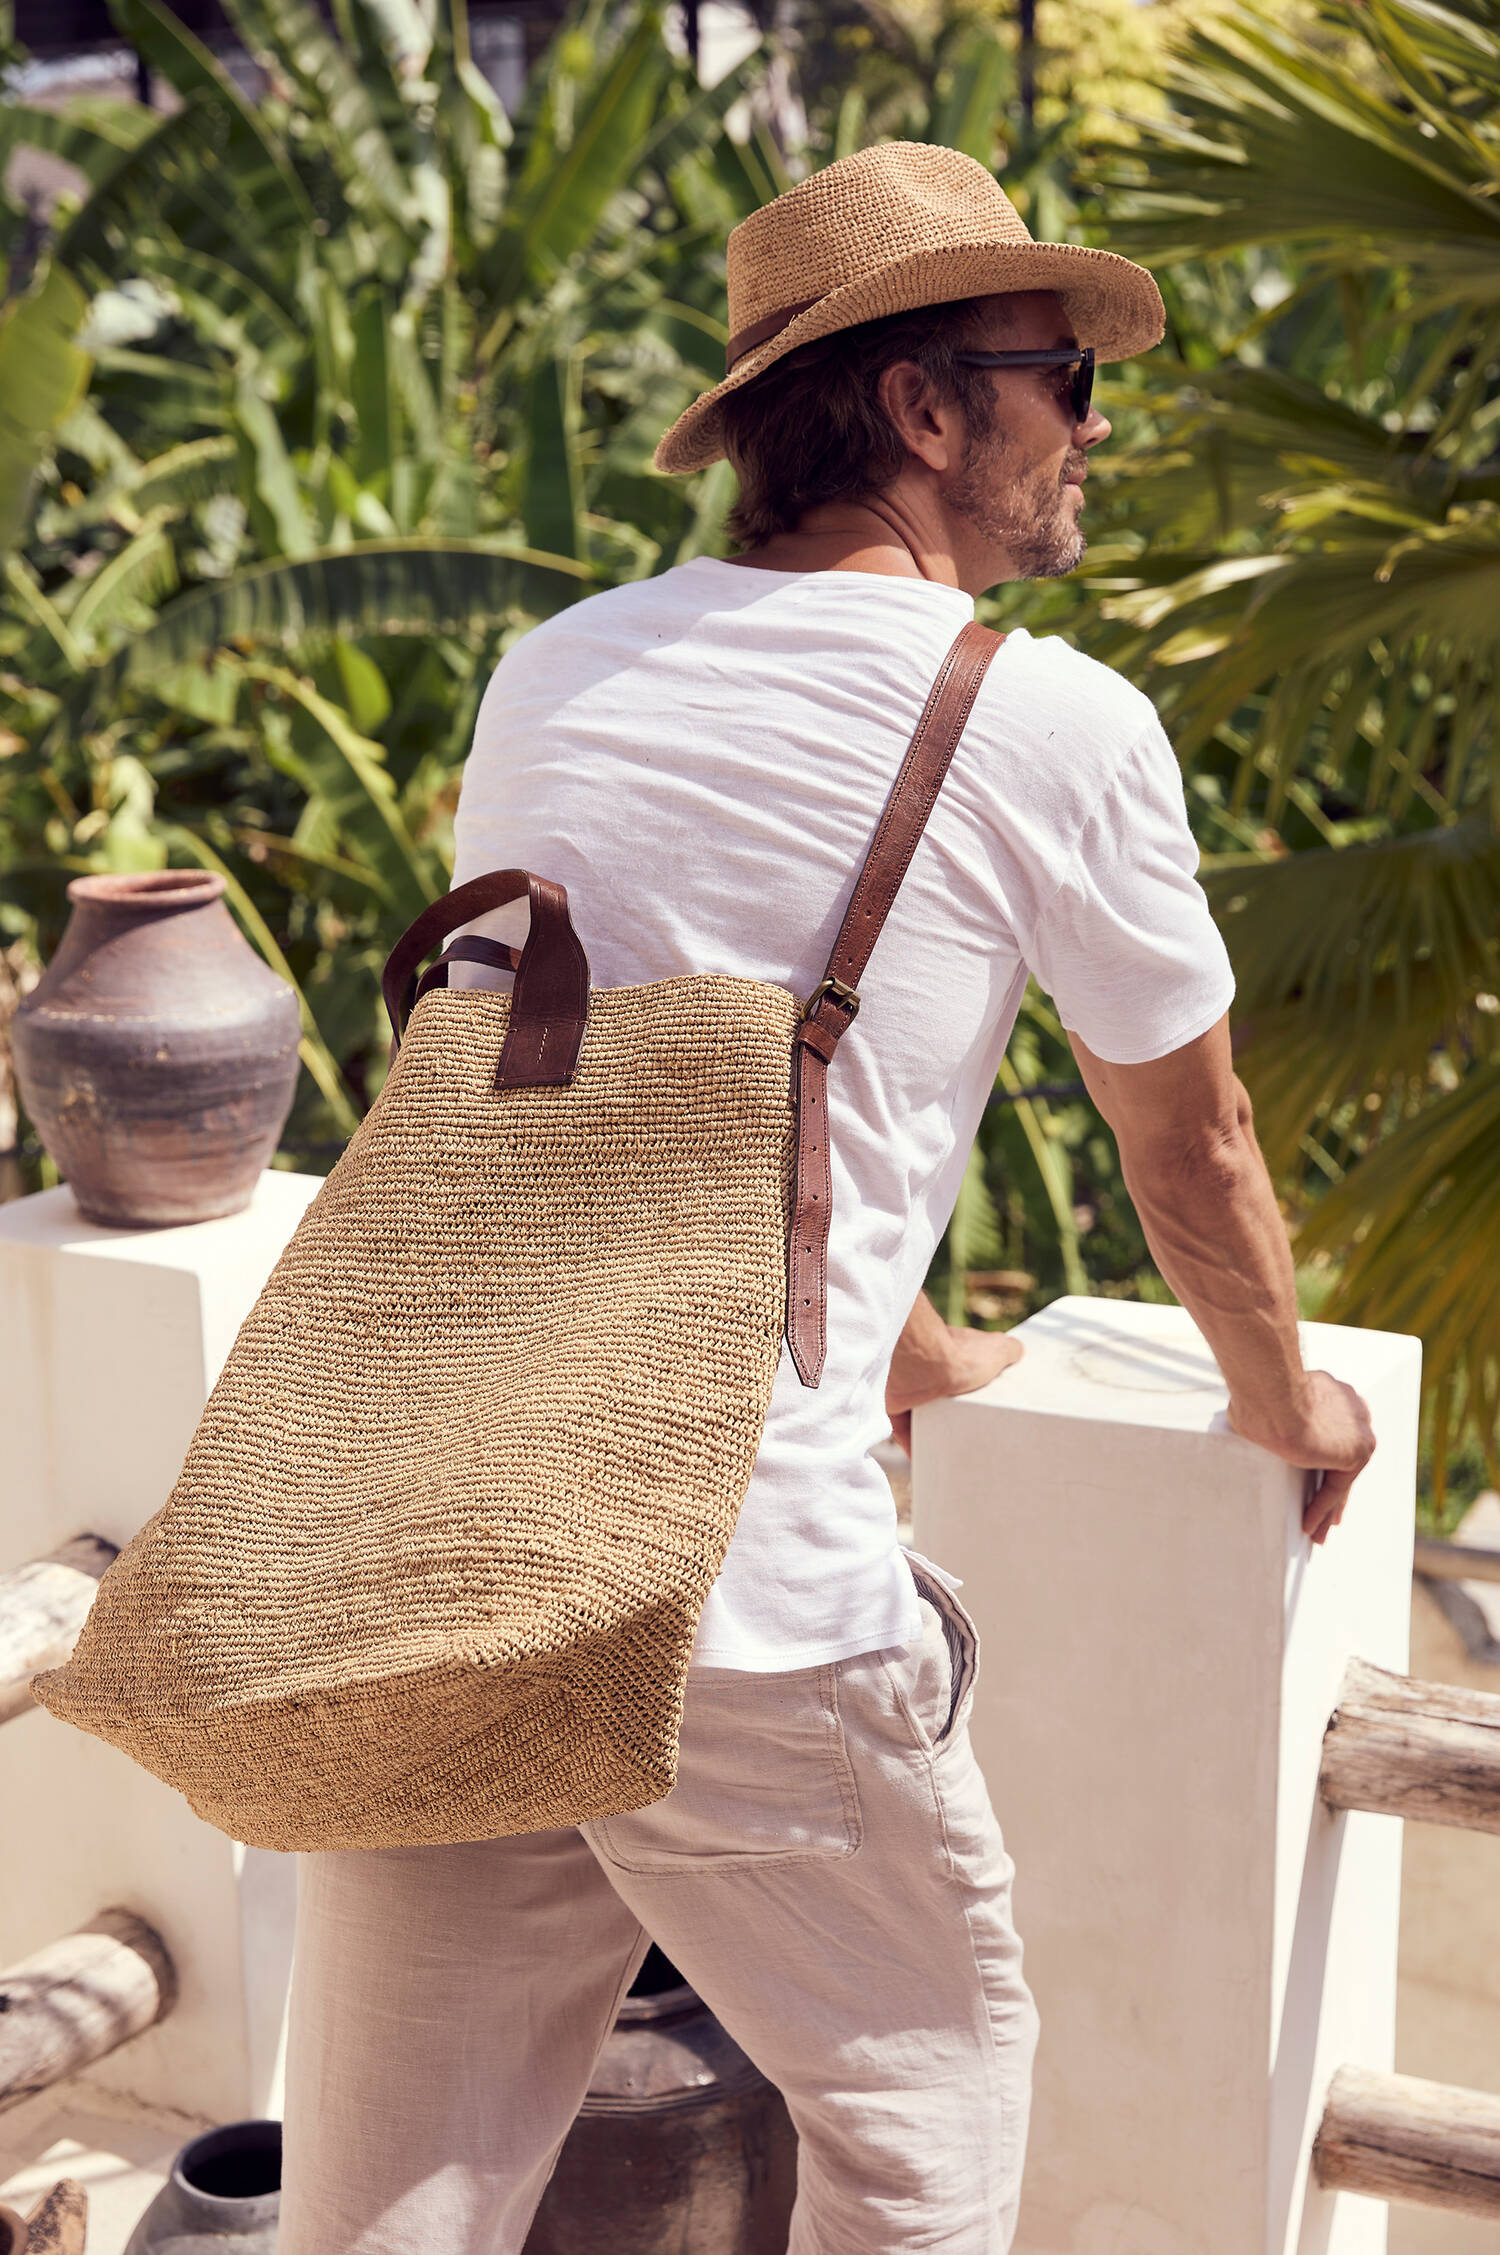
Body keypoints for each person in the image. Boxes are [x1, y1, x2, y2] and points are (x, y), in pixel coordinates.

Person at [280, 141, 1375, 2255]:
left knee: (393, 2194)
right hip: (740, 1599)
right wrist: (1283, 1398)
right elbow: (1196, 1145)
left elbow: (638, 1076)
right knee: (925, 2126)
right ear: (922, 407)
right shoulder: (1046, 724)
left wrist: (915, 1342)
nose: (1096, 427)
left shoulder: (557, 666)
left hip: (446, 1528)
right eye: (1065, 378)